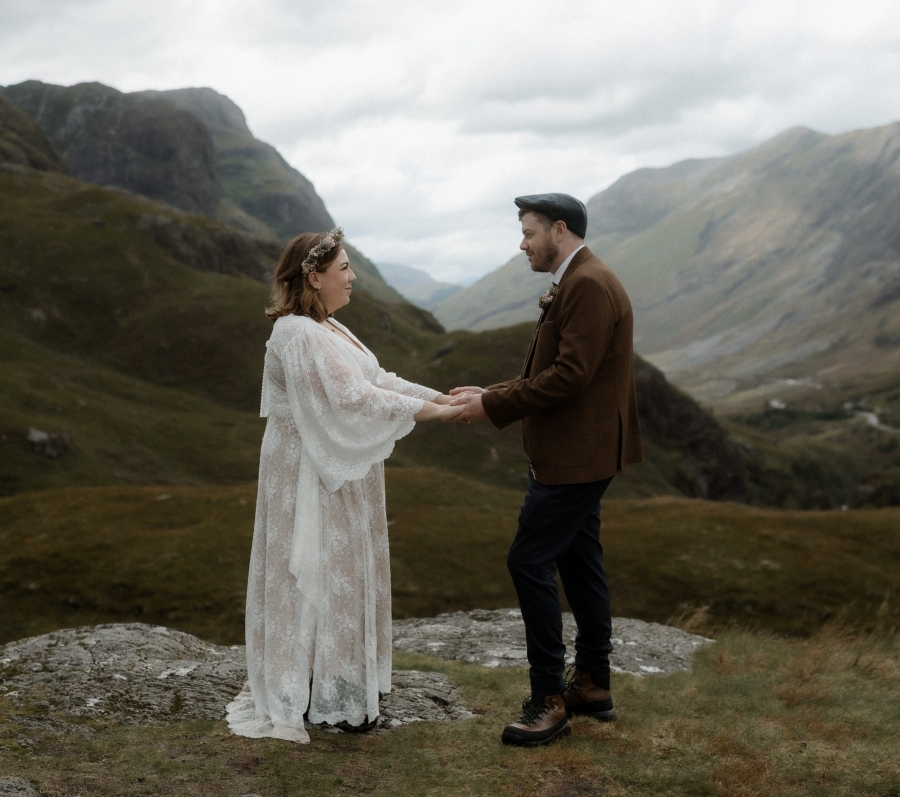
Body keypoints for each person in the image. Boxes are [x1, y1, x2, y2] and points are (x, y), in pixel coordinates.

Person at [226, 228, 462, 743]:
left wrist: (443, 400)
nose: (353, 278)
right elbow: (353, 399)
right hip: (308, 472)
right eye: (344, 270)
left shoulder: (328, 328)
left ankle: (333, 678)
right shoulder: (298, 334)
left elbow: (380, 381)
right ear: (314, 277)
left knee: (342, 566)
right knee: (313, 567)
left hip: (332, 469)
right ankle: (309, 686)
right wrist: (435, 416)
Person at [450, 193, 643, 747]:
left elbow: (570, 376)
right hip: (580, 451)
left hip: (577, 457)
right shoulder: (582, 277)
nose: (522, 243)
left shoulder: (586, 283)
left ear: (559, 230)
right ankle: (592, 684)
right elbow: (561, 369)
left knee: (528, 561)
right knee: (581, 562)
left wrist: (492, 405)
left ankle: (548, 700)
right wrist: (491, 392)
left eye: (529, 232)